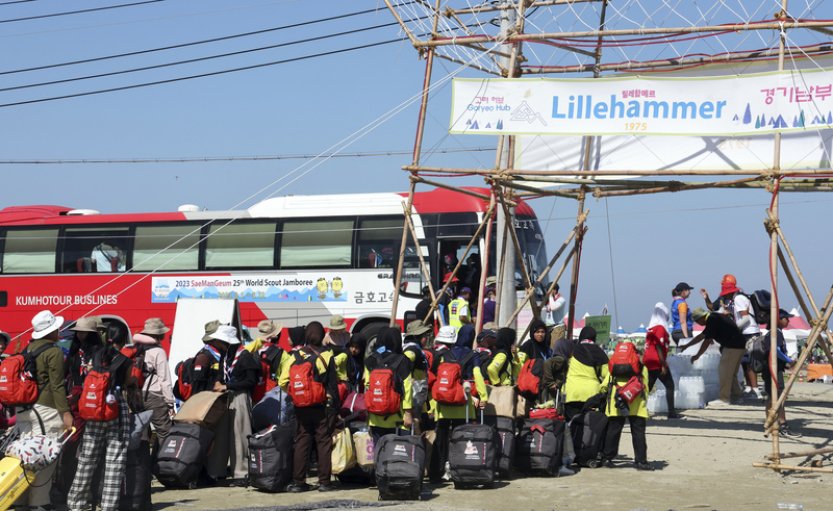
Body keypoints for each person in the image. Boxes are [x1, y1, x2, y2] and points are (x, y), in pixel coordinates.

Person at [67, 339, 133, 511]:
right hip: (116, 410)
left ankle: (76, 504)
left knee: (86, 460)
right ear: (124, 339)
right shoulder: (125, 360)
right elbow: (128, 384)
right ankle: (108, 506)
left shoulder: (94, 357)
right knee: (114, 462)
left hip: (93, 410)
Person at [18, 310, 74, 509]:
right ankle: (40, 503)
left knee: (25, 455)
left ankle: (20, 499)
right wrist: (65, 413)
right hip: (46, 410)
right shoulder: (54, 352)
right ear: (51, 331)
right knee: (44, 455)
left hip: (23, 409)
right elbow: (57, 386)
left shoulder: (27, 349)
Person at [281, 322, 340, 493]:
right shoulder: (327, 355)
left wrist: (296, 395)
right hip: (321, 406)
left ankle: (298, 482)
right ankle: (324, 482)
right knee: (323, 441)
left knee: (302, 440)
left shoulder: (295, 356)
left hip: (300, 407)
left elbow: (283, 381)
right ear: (322, 335)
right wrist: (335, 407)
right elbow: (332, 385)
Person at [427, 324, 488, 483]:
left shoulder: (446, 354)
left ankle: (436, 472)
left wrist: (433, 404)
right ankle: (459, 469)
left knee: (441, 438)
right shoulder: (472, 354)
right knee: (461, 438)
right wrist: (483, 397)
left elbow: (438, 379)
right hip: (463, 404)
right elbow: (477, 375)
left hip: (443, 405)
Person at [205, 324, 260, 486]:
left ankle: (241, 472)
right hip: (225, 396)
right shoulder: (225, 355)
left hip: (240, 397)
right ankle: (217, 471)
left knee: (240, 434)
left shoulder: (245, 356)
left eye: (218, 340)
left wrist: (227, 386)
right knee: (221, 434)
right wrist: (219, 382)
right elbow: (222, 375)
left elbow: (251, 381)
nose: (215, 343)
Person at [598, 343, 653, 471]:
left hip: (616, 402)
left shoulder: (614, 367)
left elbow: (604, 385)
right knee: (638, 433)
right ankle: (641, 461)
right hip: (637, 404)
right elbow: (645, 387)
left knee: (613, 431)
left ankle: (607, 458)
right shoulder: (642, 368)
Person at [681, 308, 747, 406]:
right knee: (731, 373)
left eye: (697, 322)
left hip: (732, 347)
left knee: (724, 371)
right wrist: (687, 345)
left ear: (700, 318)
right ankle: (737, 396)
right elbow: (702, 336)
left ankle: (724, 399)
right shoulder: (715, 317)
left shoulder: (712, 320)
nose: (699, 324)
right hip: (740, 345)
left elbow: (707, 341)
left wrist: (697, 355)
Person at [364, 327, 414, 444]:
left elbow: (367, 386)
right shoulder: (403, 360)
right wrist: (408, 413)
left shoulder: (370, 360)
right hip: (398, 417)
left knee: (379, 449)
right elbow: (407, 388)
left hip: (375, 416)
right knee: (397, 452)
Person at [718, 275, 764, 399]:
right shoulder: (739, 298)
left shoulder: (738, 299)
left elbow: (745, 318)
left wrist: (734, 329)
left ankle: (754, 390)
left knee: (749, 363)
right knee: (745, 362)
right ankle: (749, 388)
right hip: (748, 332)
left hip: (749, 333)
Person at [132, 318, 175, 442]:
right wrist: (169, 402)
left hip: (136, 394)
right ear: (159, 334)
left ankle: (143, 461)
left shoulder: (137, 348)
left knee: (141, 433)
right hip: (154, 395)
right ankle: (165, 460)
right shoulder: (158, 351)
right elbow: (165, 379)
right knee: (165, 432)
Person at [761, 309, 801, 438]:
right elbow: (776, 350)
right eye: (786, 318)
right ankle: (781, 425)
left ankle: (772, 423)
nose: (788, 321)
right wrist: (789, 360)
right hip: (773, 369)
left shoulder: (774, 333)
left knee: (772, 396)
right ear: (778, 319)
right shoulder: (775, 333)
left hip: (771, 368)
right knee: (779, 397)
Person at [563, 326, 609, 421]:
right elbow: (608, 374)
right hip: (592, 394)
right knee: (588, 427)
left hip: (572, 392)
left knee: (572, 425)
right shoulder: (600, 352)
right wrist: (603, 390)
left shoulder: (572, 350)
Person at [643, 303, 680, 419]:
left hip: (648, 360)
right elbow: (659, 345)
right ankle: (672, 412)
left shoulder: (651, 329)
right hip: (656, 360)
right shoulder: (659, 328)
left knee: (647, 387)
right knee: (670, 385)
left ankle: (640, 410)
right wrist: (663, 364)